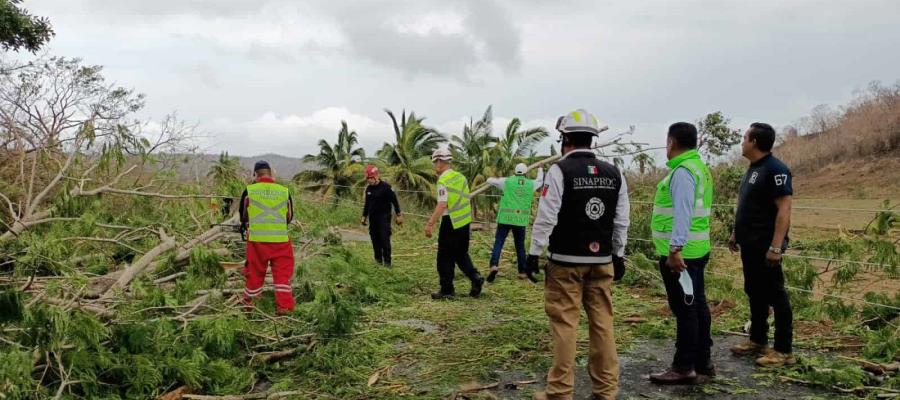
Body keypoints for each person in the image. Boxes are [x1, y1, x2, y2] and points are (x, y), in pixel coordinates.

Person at [527, 109, 630, 400]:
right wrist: (619, 254)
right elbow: (622, 220)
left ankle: (559, 393)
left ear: (565, 140)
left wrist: (534, 252)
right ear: (593, 141)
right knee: (603, 325)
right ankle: (606, 392)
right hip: (602, 262)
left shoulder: (558, 171)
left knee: (564, 325)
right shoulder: (615, 173)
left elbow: (546, 217)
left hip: (565, 263)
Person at [648, 122, 715, 384]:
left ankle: (684, 366)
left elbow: (683, 212)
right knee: (697, 305)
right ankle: (703, 360)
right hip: (696, 250)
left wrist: (675, 250)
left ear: (671, 143)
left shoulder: (683, 172)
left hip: (681, 256)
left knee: (686, 309)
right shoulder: (700, 168)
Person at [729, 122, 795, 367]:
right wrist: (736, 232)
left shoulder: (776, 169)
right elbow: (749, 205)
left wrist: (776, 247)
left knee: (776, 295)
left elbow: (784, 209)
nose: (742, 141)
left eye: (745, 137)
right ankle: (758, 339)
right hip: (750, 244)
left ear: (755, 142)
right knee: (754, 291)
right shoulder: (753, 169)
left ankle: (784, 350)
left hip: (767, 246)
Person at [425, 147, 485, 300]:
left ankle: (447, 290)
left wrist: (430, 223)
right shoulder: (461, 177)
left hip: (450, 222)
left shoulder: (443, 181)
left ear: (439, 161)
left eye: (434, 162)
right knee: (460, 254)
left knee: (444, 257)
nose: (434, 166)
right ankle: (475, 277)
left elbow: (442, 204)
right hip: (464, 222)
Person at [238, 161, 296, 314]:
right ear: (271, 174)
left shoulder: (250, 190)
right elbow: (289, 217)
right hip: (280, 241)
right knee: (283, 274)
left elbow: (243, 216)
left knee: (254, 273)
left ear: (255, 175)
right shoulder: (284, 191)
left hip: (257, 241)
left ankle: (250, 304)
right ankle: (284, 307)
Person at [485, 163, 544, 281]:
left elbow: (489, 180)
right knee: (520, 246)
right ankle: (522, 272)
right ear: (526, 173)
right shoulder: (530, 184)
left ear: (515, 172)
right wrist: (540, 168)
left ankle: (494, 265)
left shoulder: (506, 181)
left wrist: (491, 178)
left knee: (499, 242)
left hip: (505, 219)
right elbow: (540, 181)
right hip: (520, 220)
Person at [361, 164, 403, 267]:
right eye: (368, 178)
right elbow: (367, 204)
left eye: (371, 178)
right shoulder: (368, 189)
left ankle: (387, 263)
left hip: (384, 217)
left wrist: (398, 215)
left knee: (384, 239)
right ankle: (378, 261)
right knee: (375, 239)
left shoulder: (386, 187)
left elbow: (395, 201)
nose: (369, 180)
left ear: (376, 176)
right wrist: (364, 216)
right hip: (373, 218)